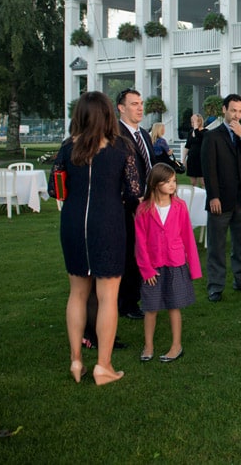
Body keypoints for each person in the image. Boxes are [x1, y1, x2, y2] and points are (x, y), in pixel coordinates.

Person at [50, 91, 142, 386]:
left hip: (74, 223)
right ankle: (103, 365)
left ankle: (76, 360)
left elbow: (55, 190)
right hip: (108, 223)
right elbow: (133, 191)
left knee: (77, 293)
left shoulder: (67, 149)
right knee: (108, 297)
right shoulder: (121, 148)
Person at [135, 163, 202, 363]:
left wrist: (195, 268)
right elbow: (140, 243)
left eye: (174, 181)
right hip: (153, 267)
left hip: (176, 264)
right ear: (155, 184)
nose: (173, 185)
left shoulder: (180, 206)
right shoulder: (144, 209)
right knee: (151, 308)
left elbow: (188, 237)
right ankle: (148, 345)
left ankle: (176, 345)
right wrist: (146, 270)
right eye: (167, 181)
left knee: (175, 305)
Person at [201, 94, 241, 303]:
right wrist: (213, 196)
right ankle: (215, 286)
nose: (236, 114)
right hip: (221, 199)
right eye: (233, 110)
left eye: (240, 111)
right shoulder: (212, 136)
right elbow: (209, 170)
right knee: (217, 245)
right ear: (224, 109)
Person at [116, 88, 153, 320]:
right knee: (129, 254)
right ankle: (126, 302)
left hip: (147, 203)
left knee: (144, 252)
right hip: (125, 206)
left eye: (141, 104)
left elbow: (150, 166)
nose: (140, 108)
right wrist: (131, 198)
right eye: (134, 104)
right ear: (121, 108)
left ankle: (135, 297)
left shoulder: (145, 135)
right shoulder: (117, 136)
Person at [184, 114, 206, 188]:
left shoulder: (205, 132)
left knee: (203, 182)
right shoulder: (190, 132)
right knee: (193, 183)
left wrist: (196, 125)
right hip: (192, 159)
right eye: (192, 122)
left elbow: (198, 135)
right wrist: (184, 159)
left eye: (194, 121)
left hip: (201, 159)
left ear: (199, 122)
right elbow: (187, 146)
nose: (192, 123)